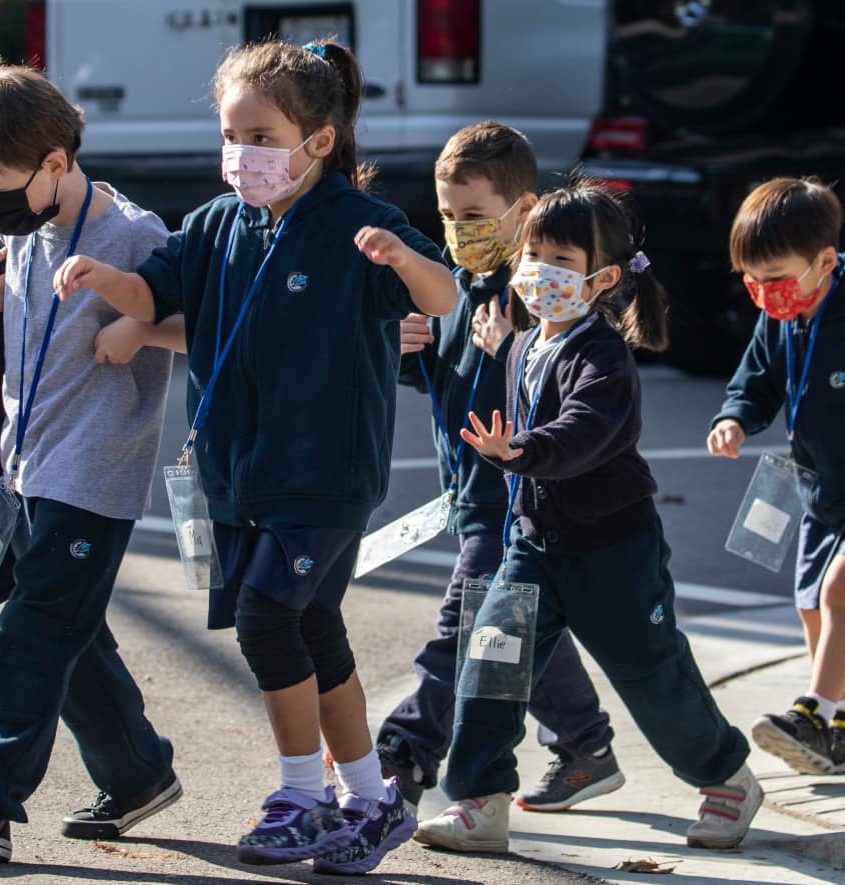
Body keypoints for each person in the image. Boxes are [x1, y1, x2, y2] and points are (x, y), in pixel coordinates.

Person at [55, 38, 457, 875]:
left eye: (262, 135)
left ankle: (301, 795)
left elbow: (442, 294)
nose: (243, 152)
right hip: (240, 479)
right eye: (233, 133)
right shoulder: (213, 225)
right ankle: (373, 798)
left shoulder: (358, 224)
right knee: (313, 626)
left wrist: (405, 258)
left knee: (268, 617)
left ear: (318, 140)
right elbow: (154, 294)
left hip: (324, 479)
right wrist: (104, 281)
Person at [415, 182, 761, 853]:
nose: (541, 271)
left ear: (602, 278)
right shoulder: (520, 343)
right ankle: (481, 802)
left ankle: (726, 778)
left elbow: (582, 432)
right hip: (530, 547)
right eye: (534, 253)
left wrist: (523, 450)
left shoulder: (602, 354)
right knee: (491, 666)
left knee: (652, 675)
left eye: (561, 261)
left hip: (612, 551)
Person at [0, 59, 186, 864]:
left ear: (55, 162)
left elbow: (205, 325)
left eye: (1, 187)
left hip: (97, 472)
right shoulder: (25, 232)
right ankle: (139, 772)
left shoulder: (136, 236)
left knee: (36, 624)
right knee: (73, 633)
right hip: (29, 465)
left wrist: (142, 328)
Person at [377, 121, 624, 816]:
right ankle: (587, 745)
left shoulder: (542, 295)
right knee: (520, 623)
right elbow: (446, 380)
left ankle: (407, 749)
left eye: (475, 216)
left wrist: (514, 344)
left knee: (469, 626)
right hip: (470, 493)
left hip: (517, 500)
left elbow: (573, 393)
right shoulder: (452, 284)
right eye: (448, 215)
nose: (458, 229)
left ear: (523, 210)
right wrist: (405, 350)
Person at [708, 177, 845, 775]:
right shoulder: (781, 315)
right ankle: (837, 725)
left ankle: (814, 714)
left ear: (825, 261)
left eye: (778, 279)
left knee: (840, 591)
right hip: (820, 488)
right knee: (812, 604)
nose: (765, 294)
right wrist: (735, 418)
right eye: (753, 281)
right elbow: (756, 381)